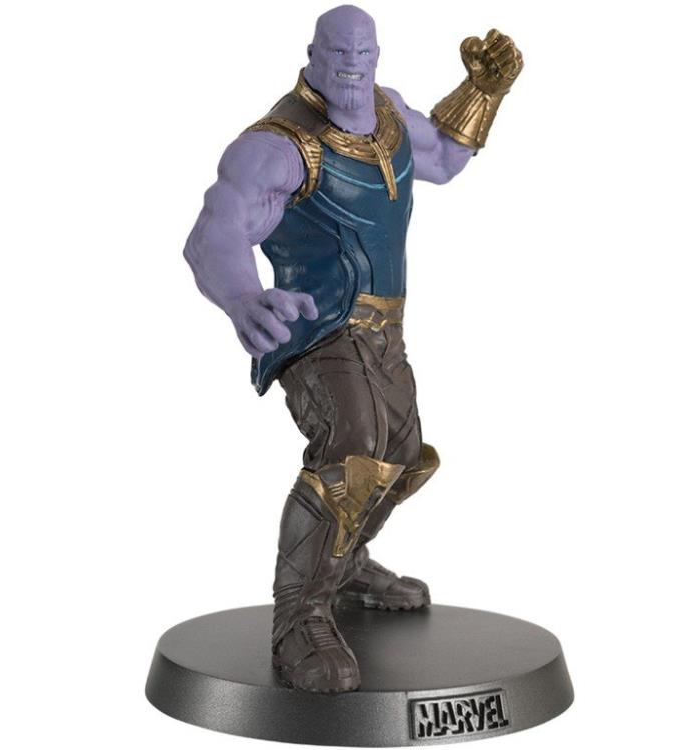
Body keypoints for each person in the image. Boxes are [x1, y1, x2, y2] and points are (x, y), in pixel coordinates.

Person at [184, 4, 523, 693]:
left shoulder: (386, 113)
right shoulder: (279, 145)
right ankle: (298, 617)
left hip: (383, 329)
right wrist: (244, 299)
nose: (352, 67)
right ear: (312, 55)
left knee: (403, 455)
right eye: (339, 54)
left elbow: (442, 158)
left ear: (376, 58)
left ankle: (343, 562)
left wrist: (482, 92)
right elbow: (213, 233)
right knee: (355, 449)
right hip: (317, 327)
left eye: (363, 55)